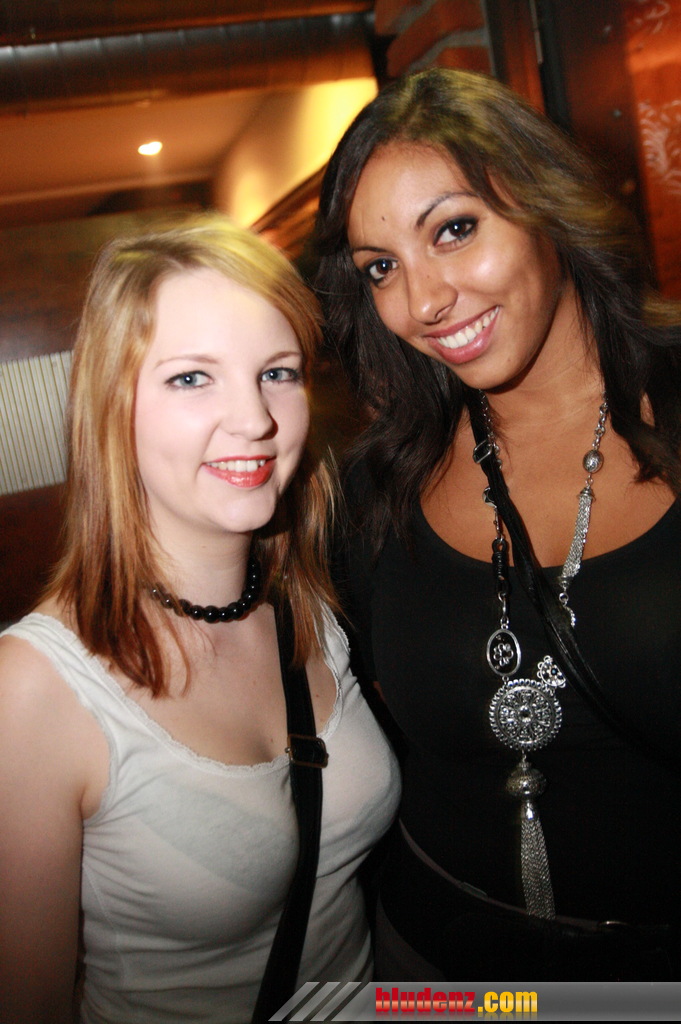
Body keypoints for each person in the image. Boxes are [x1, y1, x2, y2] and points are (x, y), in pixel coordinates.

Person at [314, 68, 681, 980]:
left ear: (548, 205)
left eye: (454, 229)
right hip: (433, 970)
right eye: (380, 268)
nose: (422, 302)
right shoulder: (376, 490)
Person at [0, 216, 400, 1023]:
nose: (253, 419)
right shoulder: (33, 691)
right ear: (113, 406)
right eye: (191, 378)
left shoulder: (308, 605)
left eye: (277, 373)